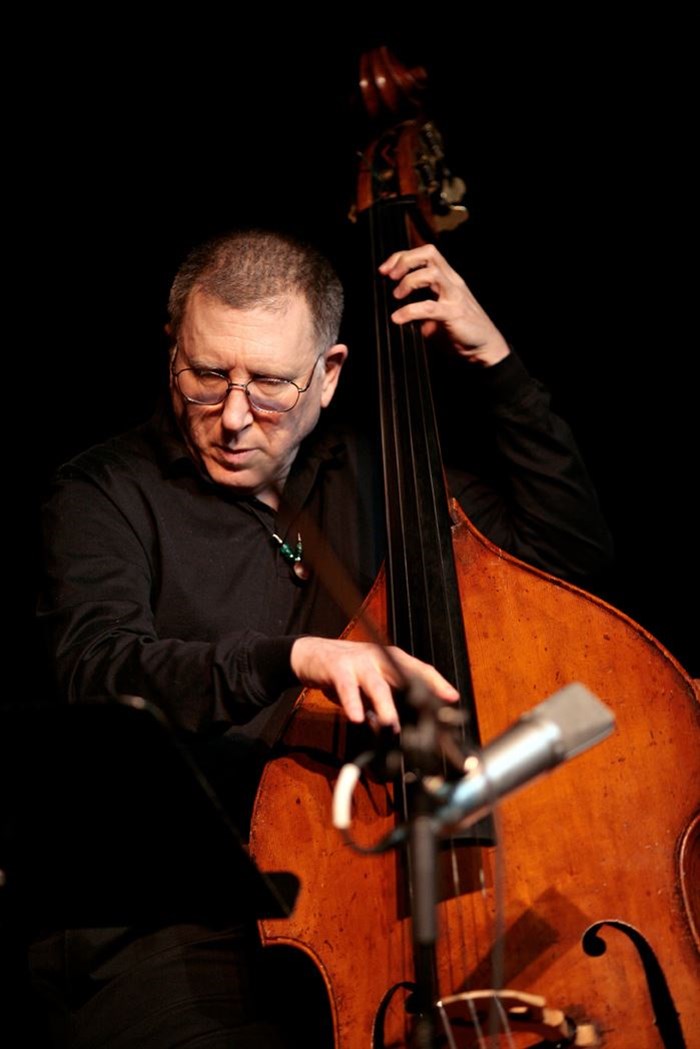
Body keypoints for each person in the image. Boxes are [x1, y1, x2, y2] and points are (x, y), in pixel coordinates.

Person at [33, 229, 612, 1047]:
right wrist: (297, 658)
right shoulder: (103, 493)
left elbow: (567, 562)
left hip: (353, 892)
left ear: (329, 374)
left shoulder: (382, 478)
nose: (235, 417)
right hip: (167, 918)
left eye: (270, 384)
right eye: (207, 375)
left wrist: (498, 365)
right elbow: (101, 671)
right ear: (173, 353)